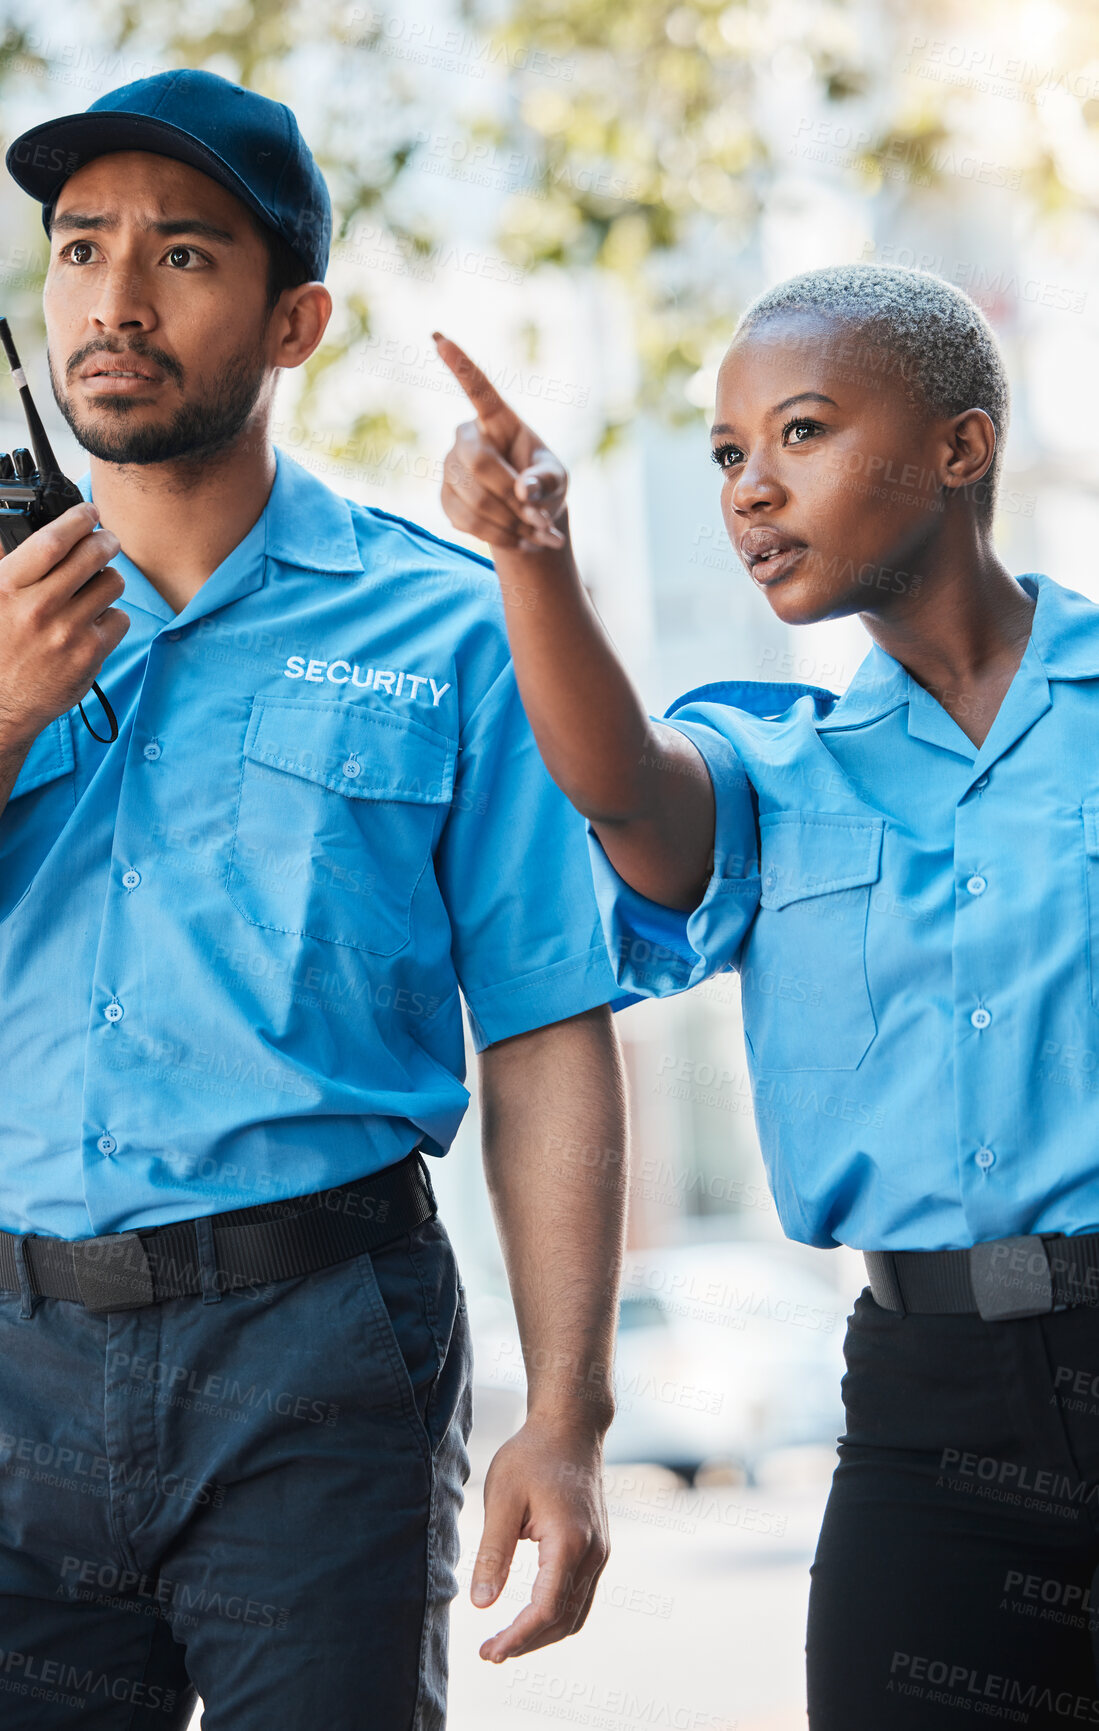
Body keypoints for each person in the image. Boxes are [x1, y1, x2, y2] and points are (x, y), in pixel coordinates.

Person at [0, 68, 627, 1731]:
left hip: (322, 1359)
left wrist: (572, 1416)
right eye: (81, 247)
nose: (114, 297)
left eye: (182, 256)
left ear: (295, 321)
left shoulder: (455, 627)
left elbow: (545, 1032)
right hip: (1, 1364)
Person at [434, 263, 1099, 1727]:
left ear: (959, 448)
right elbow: (618, 786)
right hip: (929, 1417)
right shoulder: (772, 769)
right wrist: (533, 557)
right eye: (729, 455)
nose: (749, 490)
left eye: (800, 433)